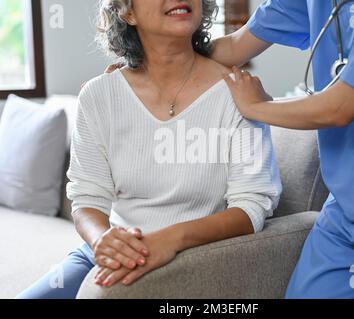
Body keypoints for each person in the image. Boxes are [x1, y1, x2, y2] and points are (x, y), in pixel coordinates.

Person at [16, 0, 281, 299]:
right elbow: (87, 197)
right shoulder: (98, 95)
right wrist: (104, 241)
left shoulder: (239, 93)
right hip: (108, 251)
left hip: (194, 256)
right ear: (126, 11)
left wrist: (168, 240)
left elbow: (251, 207)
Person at [214, 0, 354, 298]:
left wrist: (257, 106)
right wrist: (148, 58)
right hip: (349, 208)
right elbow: (235, 46)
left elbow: (341, 107)